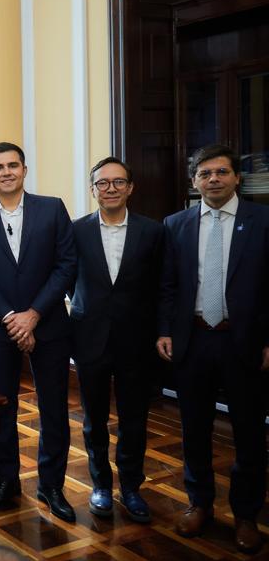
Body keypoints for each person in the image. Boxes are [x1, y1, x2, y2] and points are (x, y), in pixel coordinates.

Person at [157, 144, 268, 554]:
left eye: (221, 172)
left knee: (249, 432)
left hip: (245, 341)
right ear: (194, 181)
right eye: (205, 173)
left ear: (237, 177)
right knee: (194, 428)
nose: (214, 179)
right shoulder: (176, 224)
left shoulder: (263, 221)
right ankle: (199, 503)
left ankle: (246, 515)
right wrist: (164, 330)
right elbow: (167, 285)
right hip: (195, 339)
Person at [0, 142, 76, 522]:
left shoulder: (52, 208)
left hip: (49, 324)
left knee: (54, 408)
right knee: (3, 408)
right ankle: (7, 479)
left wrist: (34, 314)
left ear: (24, 170)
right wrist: (12, 316)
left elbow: (66, 265)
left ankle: (51, 485)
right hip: (0, 327)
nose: (6, 172)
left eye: (13, 165)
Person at [69, 157, 162, 523]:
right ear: (93, 190)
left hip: (136, 340)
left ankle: (132, 487)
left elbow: (162, 285)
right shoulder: (76, 231)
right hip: (89, 337)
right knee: (93, 419)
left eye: (118, 182)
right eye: (102, 183)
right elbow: (65, 279)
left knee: (134, 419)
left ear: (130, 187)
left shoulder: (153, 231)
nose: (110, 188)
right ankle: (101, 486)